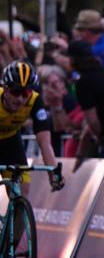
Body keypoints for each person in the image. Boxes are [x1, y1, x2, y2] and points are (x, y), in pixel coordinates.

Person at [0, 61, 64, 193]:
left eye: (26, 93)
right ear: (5, 89)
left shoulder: (35, 101)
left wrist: (54, 175)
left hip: (10, 143)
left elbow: (45, 143)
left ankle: (19, 210)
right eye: (16, 92)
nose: (20, 99)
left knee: (22, 191)